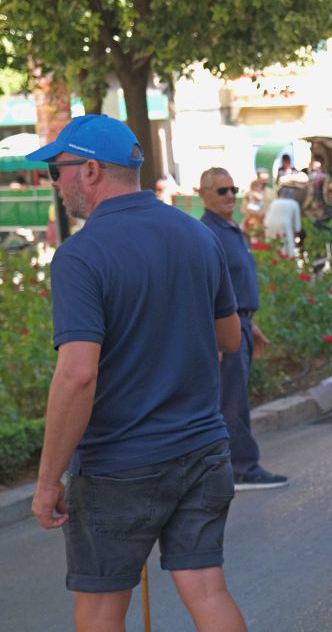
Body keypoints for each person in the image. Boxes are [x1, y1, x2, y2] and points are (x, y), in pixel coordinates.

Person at [25, 115, 247, 631]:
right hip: (203, 448)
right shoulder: (197, 235)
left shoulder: (80, 256)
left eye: (58, 170)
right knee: (208, 591)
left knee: (102, 608)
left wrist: (46, 480)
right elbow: (230, 338)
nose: (55, 183)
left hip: (117, 464)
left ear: (93, 170)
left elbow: (78, 375)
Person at [199, 167, 289, 491]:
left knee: (235, 399)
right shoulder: (207, 233)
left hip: (241, 324)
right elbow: (207, 292)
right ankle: (242, 466)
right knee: (232, 402)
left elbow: (234, 287)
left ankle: (233, 465)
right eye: (221, 190)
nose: (229, 196)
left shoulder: (229, 229)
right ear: (203, 194)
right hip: (227, 329)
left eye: (232, 189)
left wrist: (252, 325)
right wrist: (221, 336)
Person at [263, 176, 305, 257]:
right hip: (284, 225)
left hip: (269, 225)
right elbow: (297, 225)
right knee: (286, 248)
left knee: (273, 247)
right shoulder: (293, 203)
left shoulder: (274, 202)